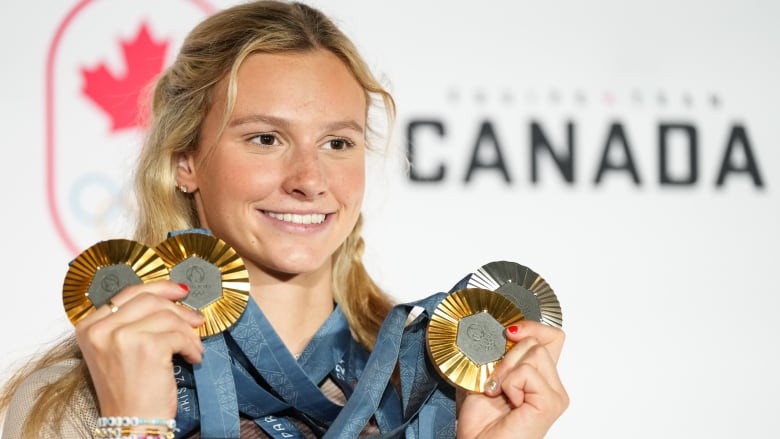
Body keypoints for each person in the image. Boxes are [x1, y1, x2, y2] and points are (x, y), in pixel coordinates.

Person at [0, 1, 568, 438]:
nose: (309, 178)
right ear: (185, 161)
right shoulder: (77, 395)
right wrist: (135, 426)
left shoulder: (442, 395)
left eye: (337, 143)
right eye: (265, 138)